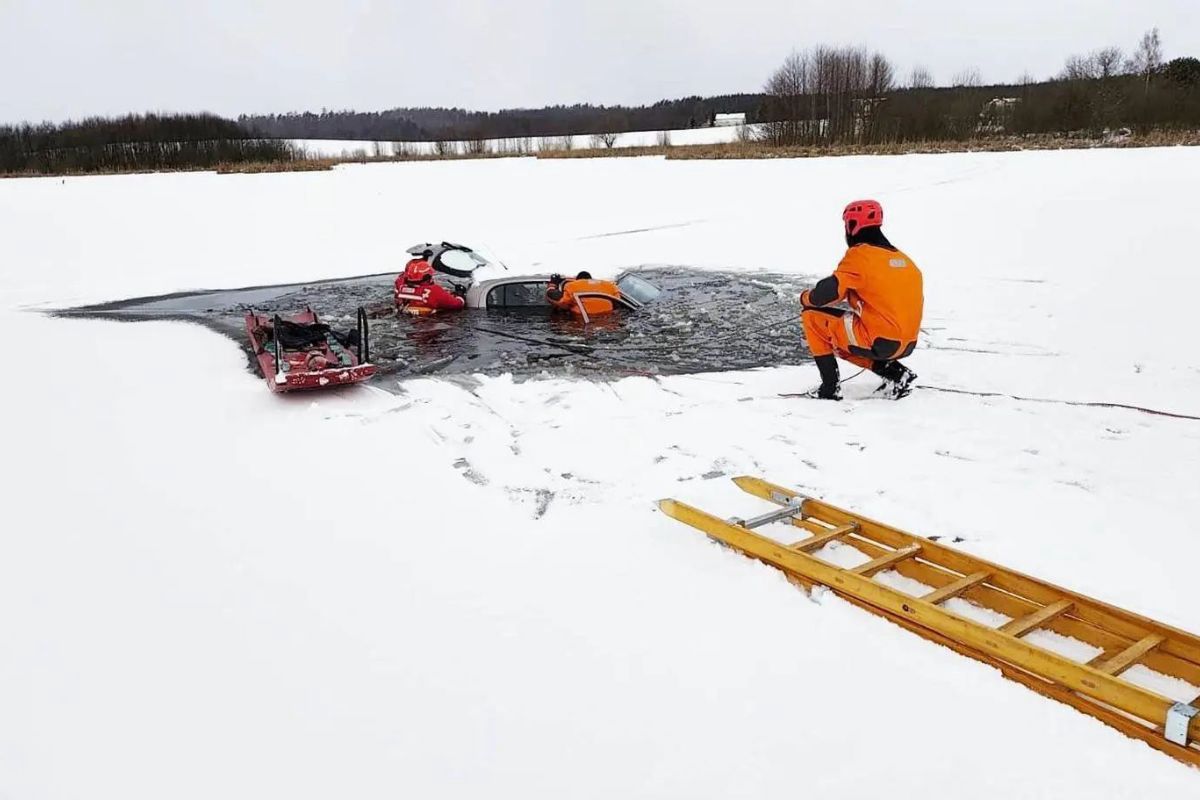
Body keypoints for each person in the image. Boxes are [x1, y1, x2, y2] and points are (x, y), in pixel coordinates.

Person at [799, 199, 923, 400]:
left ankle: (830, 388)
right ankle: (897, 374)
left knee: (812, 318)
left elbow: (827, 294)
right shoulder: (905, 261)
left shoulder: (860, 255)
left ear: (852, 226)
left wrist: (806, 298)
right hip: (907, 343)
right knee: (842, 336)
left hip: (879, 341)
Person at [394, 252, 466, 315]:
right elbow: (458, 304)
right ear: (427, 277)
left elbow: (401, 278)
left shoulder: (401, 287)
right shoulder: (434, 291)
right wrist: (460, 294)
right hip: (430, 324)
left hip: (407, 320)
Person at [545, 271, 623, 317]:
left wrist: (552, 286)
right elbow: (618, 303)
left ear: (577, 280)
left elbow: (563, 303)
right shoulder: (609, 285)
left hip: (581, 321)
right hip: (608, 322)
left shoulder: (572, 286)